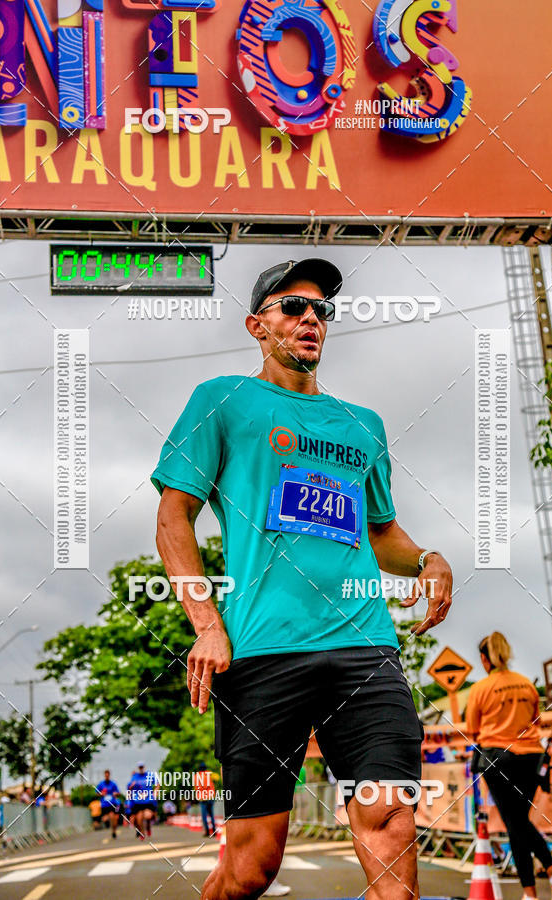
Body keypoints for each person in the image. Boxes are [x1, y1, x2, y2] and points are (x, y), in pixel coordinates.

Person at [152, 258, 453, 900]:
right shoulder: (223, 401)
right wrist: (207, 625)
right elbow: (173, 517)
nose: (311, 318)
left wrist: (427, 559)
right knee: (250, 870)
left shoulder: (362, 425)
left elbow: (379, 534)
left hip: (364, 651)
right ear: (257, 325)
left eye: (322, 310)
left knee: (390, 824)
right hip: (262, 654)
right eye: (293, 306)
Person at [466, 631, 552, 900]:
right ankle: (547, 878)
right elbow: (535, 720)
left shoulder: (480, 689)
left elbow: (472, 729)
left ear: (484, 658)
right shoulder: (526, 684)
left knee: (516, 825)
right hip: (531, 758)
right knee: (520, 821)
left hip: (497, 758)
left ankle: (537, 887)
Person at [127, 762, 157, 839]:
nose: (141, 768)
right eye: (139, 767)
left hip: (148, 800)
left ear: (144, 767)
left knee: (148, 816)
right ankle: (142, 832)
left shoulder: (149, 775)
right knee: (139, 818)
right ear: (138, 768)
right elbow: (129, 787)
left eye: (142, 767)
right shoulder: (135, 777)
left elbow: (157, 784)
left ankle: (148, 827)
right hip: (138, 801)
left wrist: (155, 792)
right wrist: (131, 787)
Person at [96, 769, 121, 838]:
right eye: (105, 775)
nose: (107, 776)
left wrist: (116, 793)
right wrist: (101, 794)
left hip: (112, 803)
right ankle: (107, 822)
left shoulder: (113, 784)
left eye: (108, 775)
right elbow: (97, 793)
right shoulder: (101, 784)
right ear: (104, 775)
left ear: (109, 775)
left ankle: (114, 830)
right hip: (104, 804)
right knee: (109, 817)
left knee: (113, 817)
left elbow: (119, 793)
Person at [194, 763, 217, 837]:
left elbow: (196, 787)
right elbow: (217, 778)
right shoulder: (210, 774)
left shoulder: (197, 776)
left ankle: (207, 832)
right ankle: (214, 831)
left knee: (204, 816)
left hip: (203, 798)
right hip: (210, 797)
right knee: (211, 815)